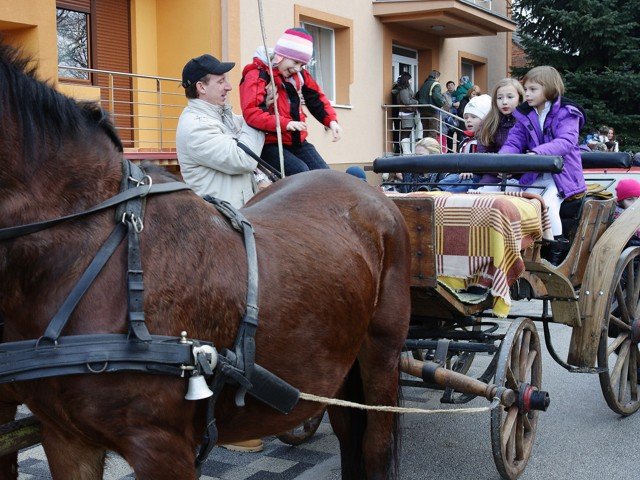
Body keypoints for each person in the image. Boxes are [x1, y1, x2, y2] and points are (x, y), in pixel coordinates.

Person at [499, 65, 587, 264]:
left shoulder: (567, 112)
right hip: (536, 174)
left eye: (533, 89)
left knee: (546, 205)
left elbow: (566, 141)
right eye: (526, 89)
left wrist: (537, 153)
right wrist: (502, 160)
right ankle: (520, 248)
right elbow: (514, 142)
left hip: (562, 176)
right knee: (519, 202)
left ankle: (555, 256)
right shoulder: (525, 115)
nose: (527, 94)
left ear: (549, 89)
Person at [240, 28, 342, 176]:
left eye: (302, 65)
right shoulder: (258, 74)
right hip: (270, 143)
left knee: (324, 175)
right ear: (281, 56)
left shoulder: (299, 75)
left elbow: (315, 98)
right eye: (295, 62)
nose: (297, 68)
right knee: (301, 174)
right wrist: (285, 124)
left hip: (296, 141)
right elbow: (252, 112)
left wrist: (331, 121)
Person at [176, 54, 267, 210]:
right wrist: (257, 115)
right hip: (220, 220)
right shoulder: (196, 127)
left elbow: (246, 125)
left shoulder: (219, 116)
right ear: (201, 87)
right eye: (220, 81)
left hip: (237, 216)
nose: (229, 87)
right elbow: (244, 159)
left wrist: (267, 105)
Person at [474, 78, 525, 191]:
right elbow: (483, 154)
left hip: (522, 174)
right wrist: (498, 169)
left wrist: (515, 170)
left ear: (520, 98)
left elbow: (531, 151)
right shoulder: (488, 123)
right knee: (481, 193)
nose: (504, 102)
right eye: (500, 98)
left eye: (510, 97)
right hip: (494, 174)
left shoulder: (527, 121)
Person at [437, 94, 492, 192]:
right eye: (466, 117)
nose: (468, 120)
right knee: (451, 178)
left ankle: (442, 192)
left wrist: (471, 170)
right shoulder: (465, 140)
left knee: (465, 182)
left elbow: (485, 162)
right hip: (462, 174)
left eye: (474, 117)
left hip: (477, 177)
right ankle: (436, 190)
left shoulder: (486, 140)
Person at [391, 72, 418, 154]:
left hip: (408, 112)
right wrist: (415, 102)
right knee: (406, 131)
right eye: (410, 79)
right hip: (406, 113)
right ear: (406, 80)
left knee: (407, 131)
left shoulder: (406, 88)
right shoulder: (403, 90)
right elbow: (406, 101)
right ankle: (406, 151)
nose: (411, 81)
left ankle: (406, 151)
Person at [416, 70, 445, 139]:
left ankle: (425, 145)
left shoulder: (424, 84)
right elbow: (437, 97)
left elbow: (417, 95)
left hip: (423, 110)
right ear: (436, 77)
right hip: (432, 110)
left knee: (425, 130)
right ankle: (431, 145)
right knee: (433, 131)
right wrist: (442, 104)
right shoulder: (436, 84)